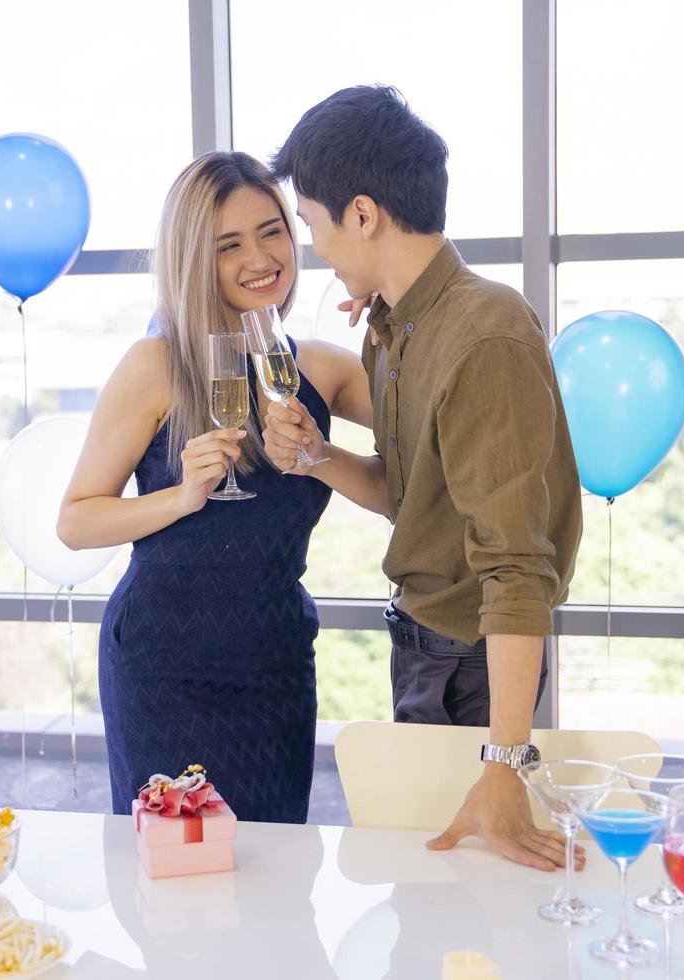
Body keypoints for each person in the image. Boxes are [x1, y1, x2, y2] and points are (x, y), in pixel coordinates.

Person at [263, 86, 585, 869]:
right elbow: (411, 499)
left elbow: (516, 569)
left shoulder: (486, 336)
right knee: (434, 900)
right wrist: (316, 456)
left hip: (475, 664)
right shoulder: (395, 326)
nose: (316, 251)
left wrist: (506, 766)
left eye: (312, 225)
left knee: (474, 899)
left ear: (364, 215)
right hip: (425, 649)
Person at [57, 151, 371, 823]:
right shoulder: (155, 367)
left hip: (275, 664)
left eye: (272, 231)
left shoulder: (321, 369)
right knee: (172, 876)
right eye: (229, 245)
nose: (260, 257)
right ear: (194, 259)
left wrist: (322, 454)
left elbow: (429, 441)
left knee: (277, 877)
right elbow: (76, 521)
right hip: (162, 670)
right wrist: (179, 497)